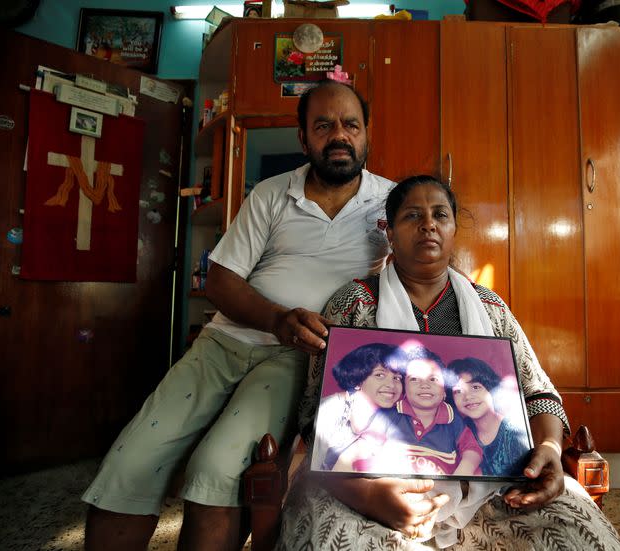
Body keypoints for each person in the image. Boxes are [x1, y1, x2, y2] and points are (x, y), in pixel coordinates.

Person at [82, 79, 395, 551]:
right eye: (323, 125)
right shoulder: (271, 194)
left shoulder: (391, 203)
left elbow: (430, 270)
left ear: (367, 133)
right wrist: (275, 318)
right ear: (303, 139)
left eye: (351, 124)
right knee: (131, 460)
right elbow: (221, 281)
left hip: (297, 358)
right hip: (223, 343)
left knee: (217, 466)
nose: (339, 135)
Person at [277, 175, 620, 550]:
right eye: (412, 216)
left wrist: (551, 452)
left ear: (454, 229)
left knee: (582, 536)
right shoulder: (353, 305)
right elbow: (318, 417)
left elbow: (538, 393)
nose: (428, 224)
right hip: (366, 485)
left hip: (493, 487)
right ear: (389, 232)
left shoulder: (490, 308)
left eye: (440, 215)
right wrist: (369, 496)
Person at [346, 344, 482, 476]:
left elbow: (472, 450)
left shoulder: (453, 421)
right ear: (404, 388)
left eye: (433, 379)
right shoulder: (390, 415)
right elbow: (364, 446)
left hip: (441, 487)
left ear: (445, 391)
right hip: (395, 486)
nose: (424, 385)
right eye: (415, 379)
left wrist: (465, 469)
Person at [313, 342, 407, 471]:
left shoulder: (393, 417)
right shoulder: (330, 409)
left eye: (397, 378)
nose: (391, 384)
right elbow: (312, 466)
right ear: (358, 380)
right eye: (380, 375)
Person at [449, 357, 530, 476]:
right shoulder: (460, 429)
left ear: (491, 388)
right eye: (458, 391)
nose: (467, 397)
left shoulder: (514, 431)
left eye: (475, 387)